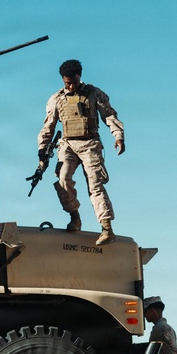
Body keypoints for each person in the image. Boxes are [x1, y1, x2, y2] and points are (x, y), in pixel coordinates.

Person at [38, 59, 124, 245]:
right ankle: (74, 216)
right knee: (63, 180)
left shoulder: (94, 93)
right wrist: (42, 150)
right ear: (62, 79)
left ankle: (106, 227)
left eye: (74, 82)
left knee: (95, 184)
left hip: (90, 144)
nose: (70, 86)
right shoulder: (57, 99)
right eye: (67, 83)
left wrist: (118, 135)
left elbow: (109, 114)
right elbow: (48, 126)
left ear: (80, 77)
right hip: (67, 145)